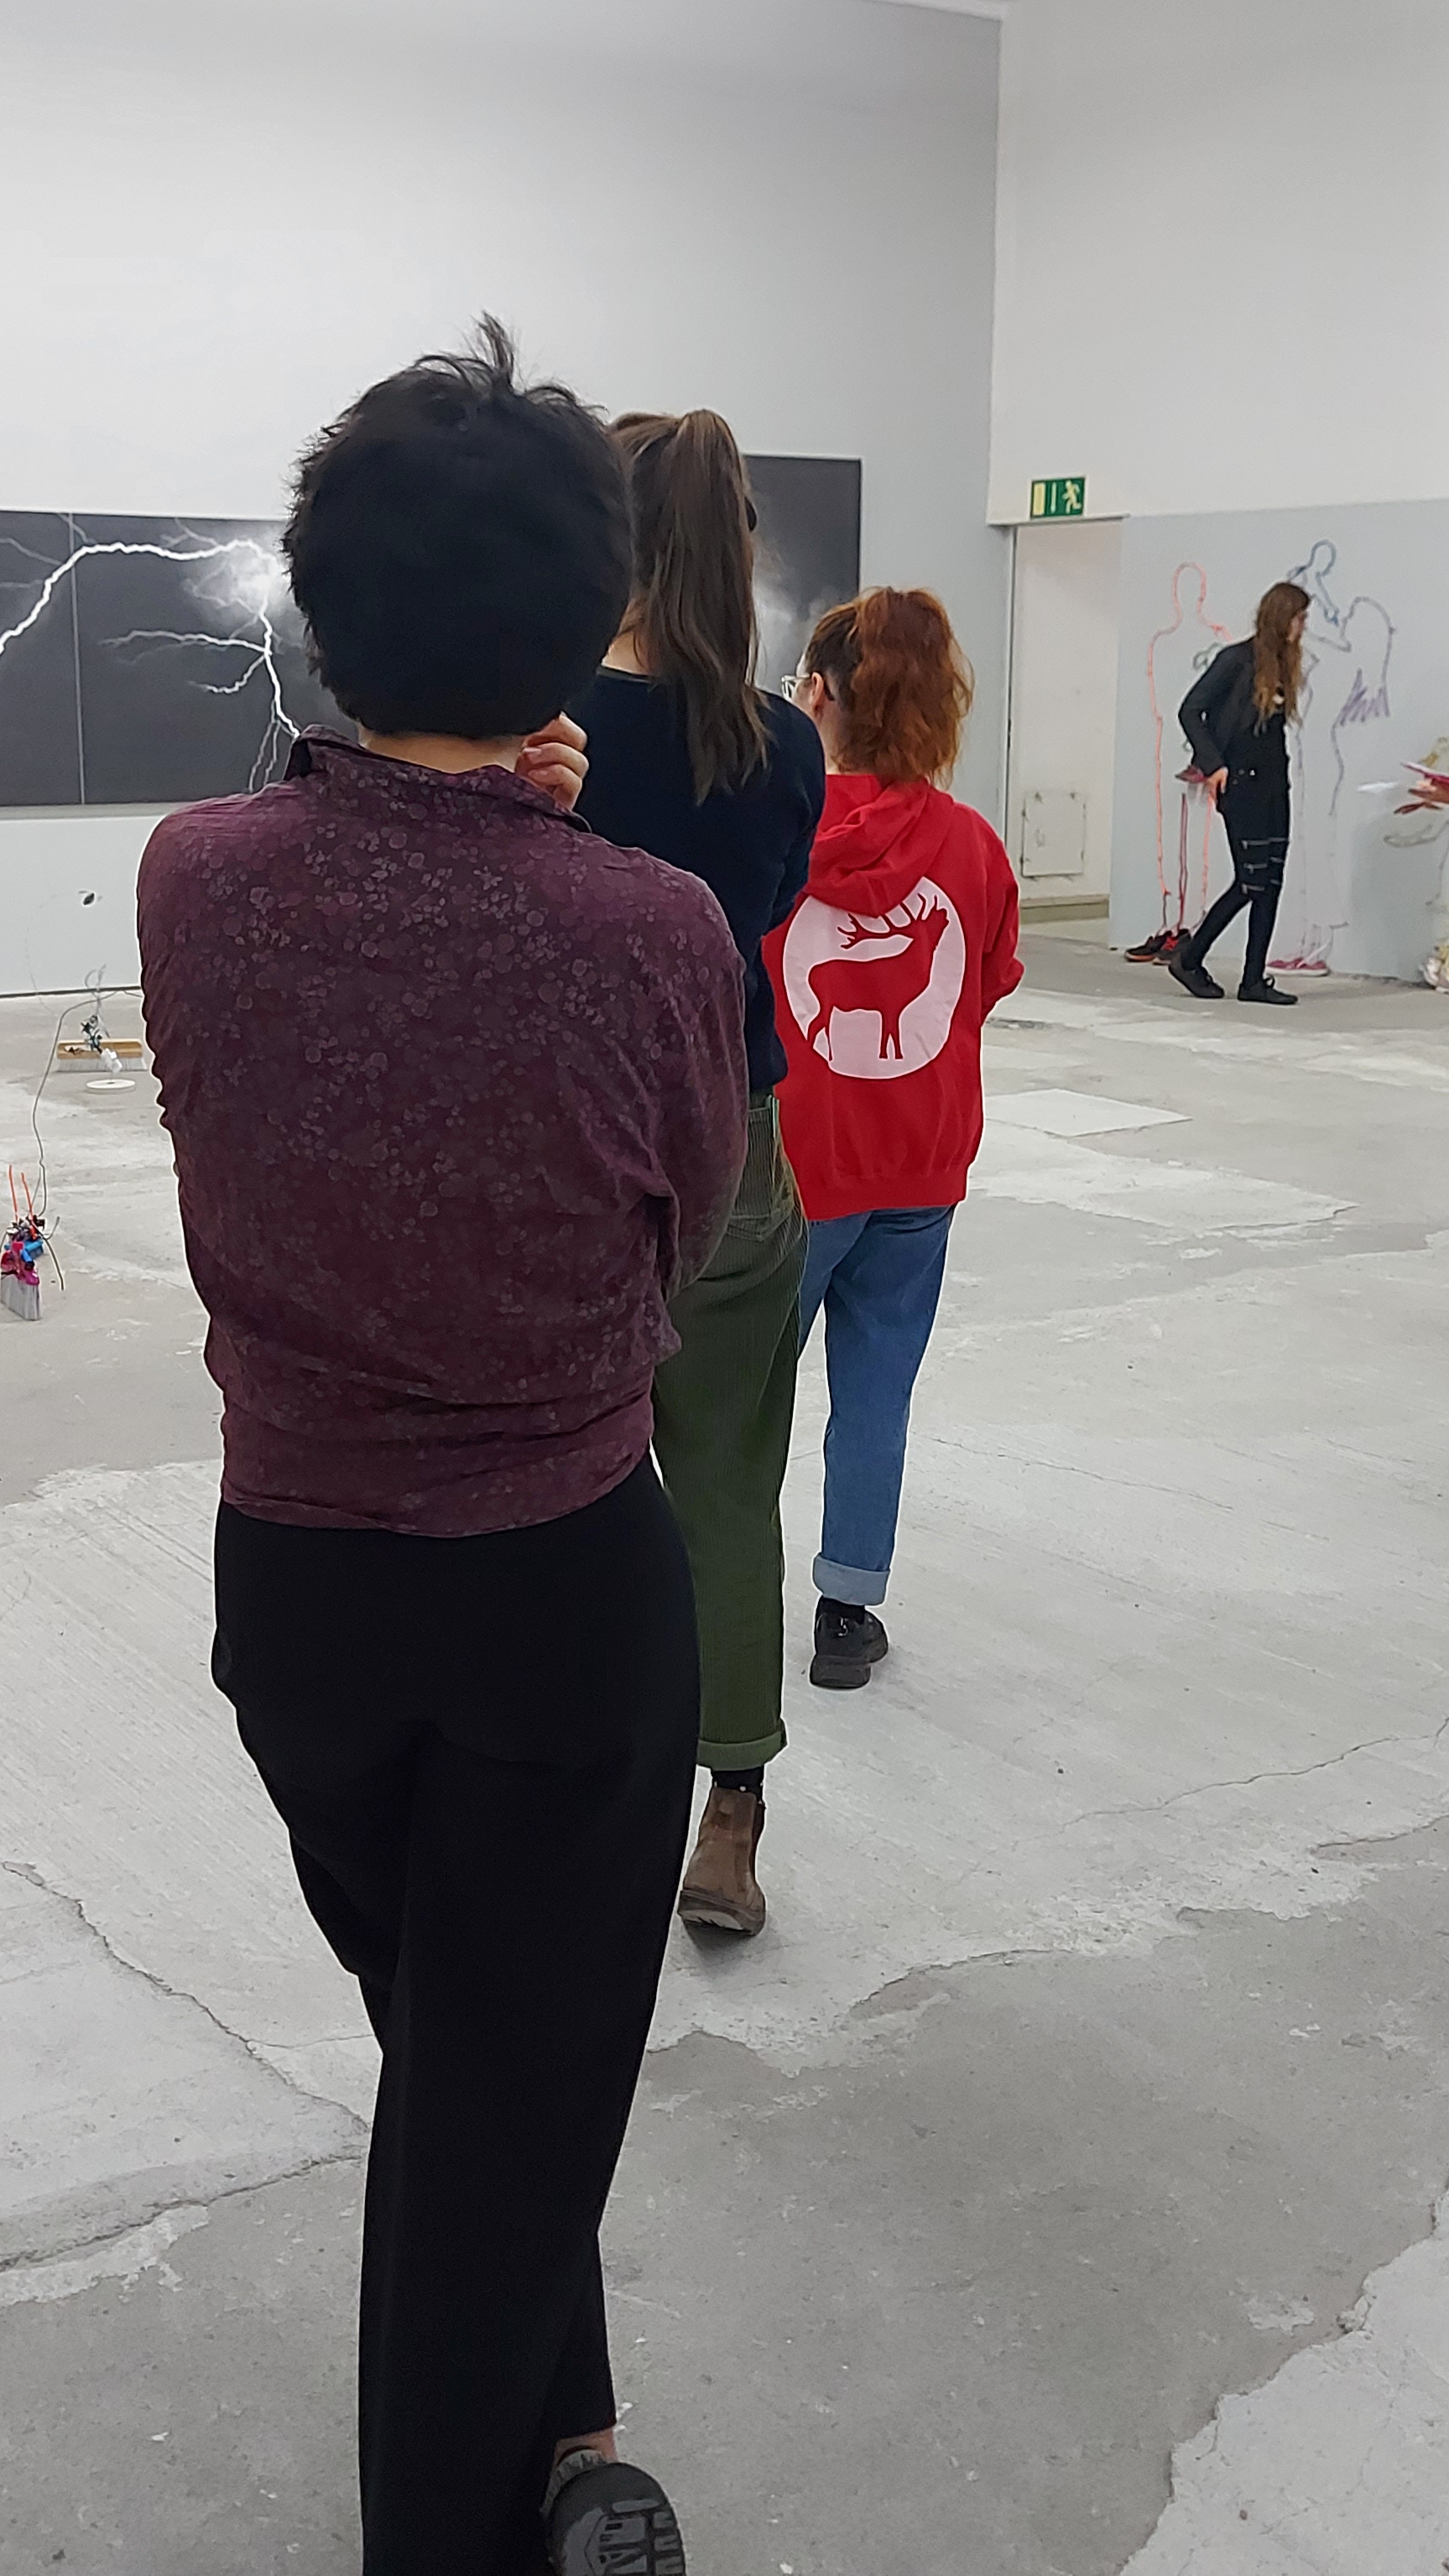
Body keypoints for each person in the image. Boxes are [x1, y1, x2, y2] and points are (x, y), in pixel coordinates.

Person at [138, 320, 733, 2576]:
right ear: (587, 619)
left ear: (322, 601)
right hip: (559, 1584)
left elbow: (339, 894)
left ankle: (576, 2432)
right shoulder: (651, 928)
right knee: (503, 2080)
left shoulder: (193, 875)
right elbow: (679, 1234)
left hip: (300, 1591)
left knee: (472, 2050)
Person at [566, 409, 826, 1940]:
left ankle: (575, 1792)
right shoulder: (780, 741)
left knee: (555, 1488)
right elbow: (768, 903)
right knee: (724, 1488)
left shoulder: (544, 724)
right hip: (733, 1141)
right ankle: (731, 1810)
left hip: (569, 1153)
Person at [767, 589, 1025, 1756]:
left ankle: (718, 1592)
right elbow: (987, 981)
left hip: (795, 1167)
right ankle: (847, 1607)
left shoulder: (771, 830)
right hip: (922, 1163)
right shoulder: (971, 844)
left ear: (817, 695)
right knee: (877, 1392)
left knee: (743, 1402)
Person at [1165, 580, 1306, 1004]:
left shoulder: (1280, 666)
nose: (1302, 627)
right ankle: (1190, 958)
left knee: (1271, 881)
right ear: (1281, 618)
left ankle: (1253, 979)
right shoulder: (1236, 660)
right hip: (1241, 783)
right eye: (1299, 618)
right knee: (1251, 880)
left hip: (1274, 784)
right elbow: (1190, 710)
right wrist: (1213, 764)